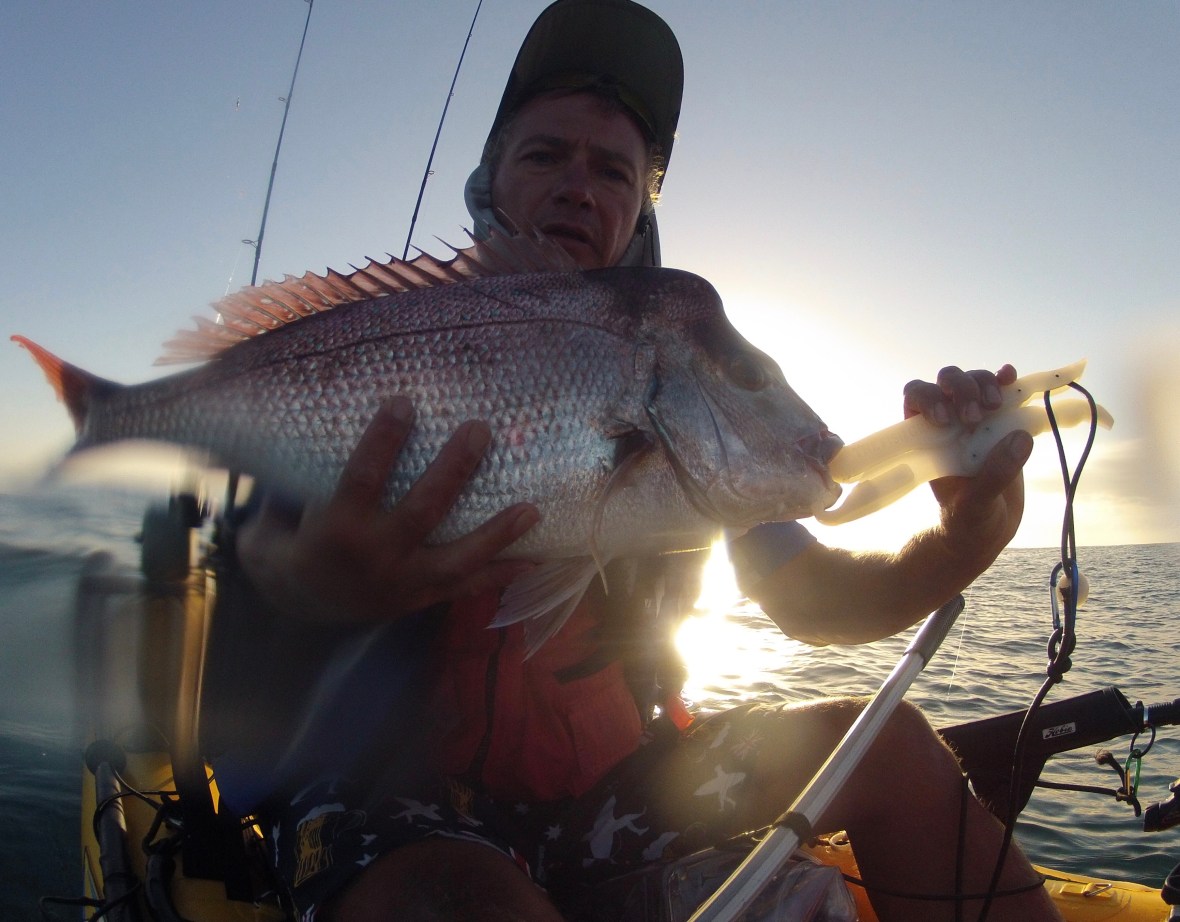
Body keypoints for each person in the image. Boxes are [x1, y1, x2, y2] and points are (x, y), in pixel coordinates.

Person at [218, 2, 1061, 920]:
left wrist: (965, 538)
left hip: (616, 786)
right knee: (454, 896)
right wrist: (319, 581)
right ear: (490, 180)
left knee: (891, 743)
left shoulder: (685, 384)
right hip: (392, 791)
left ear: (640, 208)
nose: (578, 188)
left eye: (613, 170)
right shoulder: (386, 350)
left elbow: (818, 601)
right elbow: (259, 557)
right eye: (546, 155)